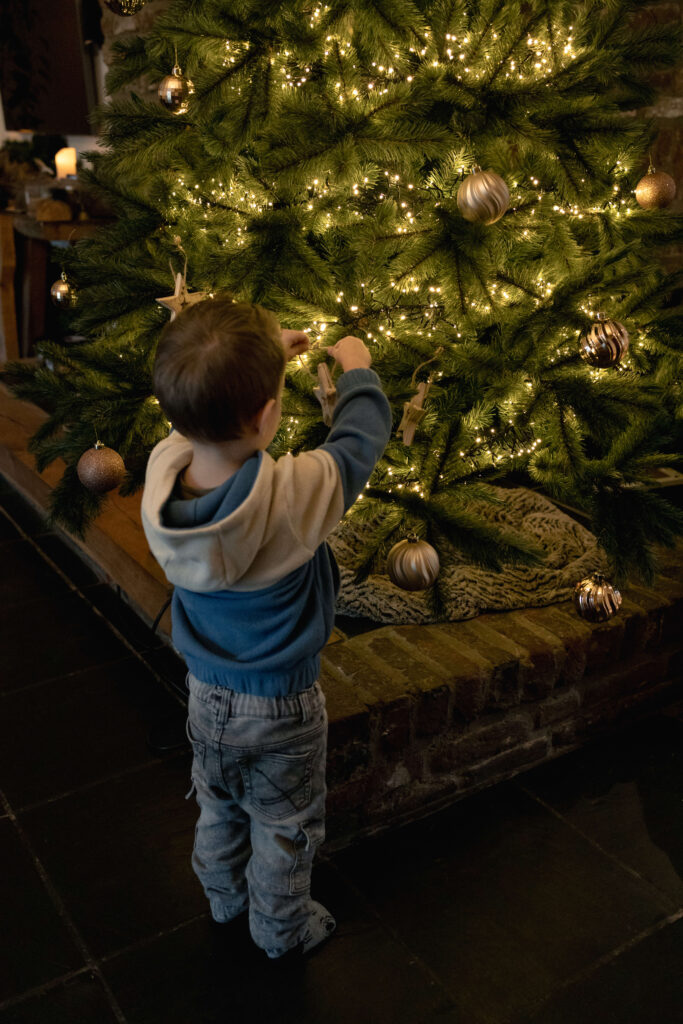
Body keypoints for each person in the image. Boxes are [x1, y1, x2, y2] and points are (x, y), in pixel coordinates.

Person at [141, 298, 391, 960]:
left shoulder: (162, 478)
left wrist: (263, 359)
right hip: (281, 703)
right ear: (268, 414)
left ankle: (224, 899)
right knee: (284, 823)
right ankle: (280, 929)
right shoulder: (292, 496)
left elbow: (197, 419)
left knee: (219, 804)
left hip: (205, 693)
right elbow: (359, 440)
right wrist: (358, 369)